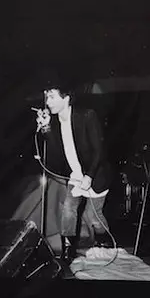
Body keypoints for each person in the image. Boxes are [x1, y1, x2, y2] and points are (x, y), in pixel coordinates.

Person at [34, 81, 114, 259]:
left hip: (96, 173)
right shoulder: (54, 122)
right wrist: (46, 127)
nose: (47, 102)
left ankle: (105, 242)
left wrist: (89, 176)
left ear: (66, 98)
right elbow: (56, 154)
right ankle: (67, 253)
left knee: (93, 216)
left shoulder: (86, 116)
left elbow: (99, 150)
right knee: (68, 209)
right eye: (47, 97)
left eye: (52, 97)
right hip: (75, 175)